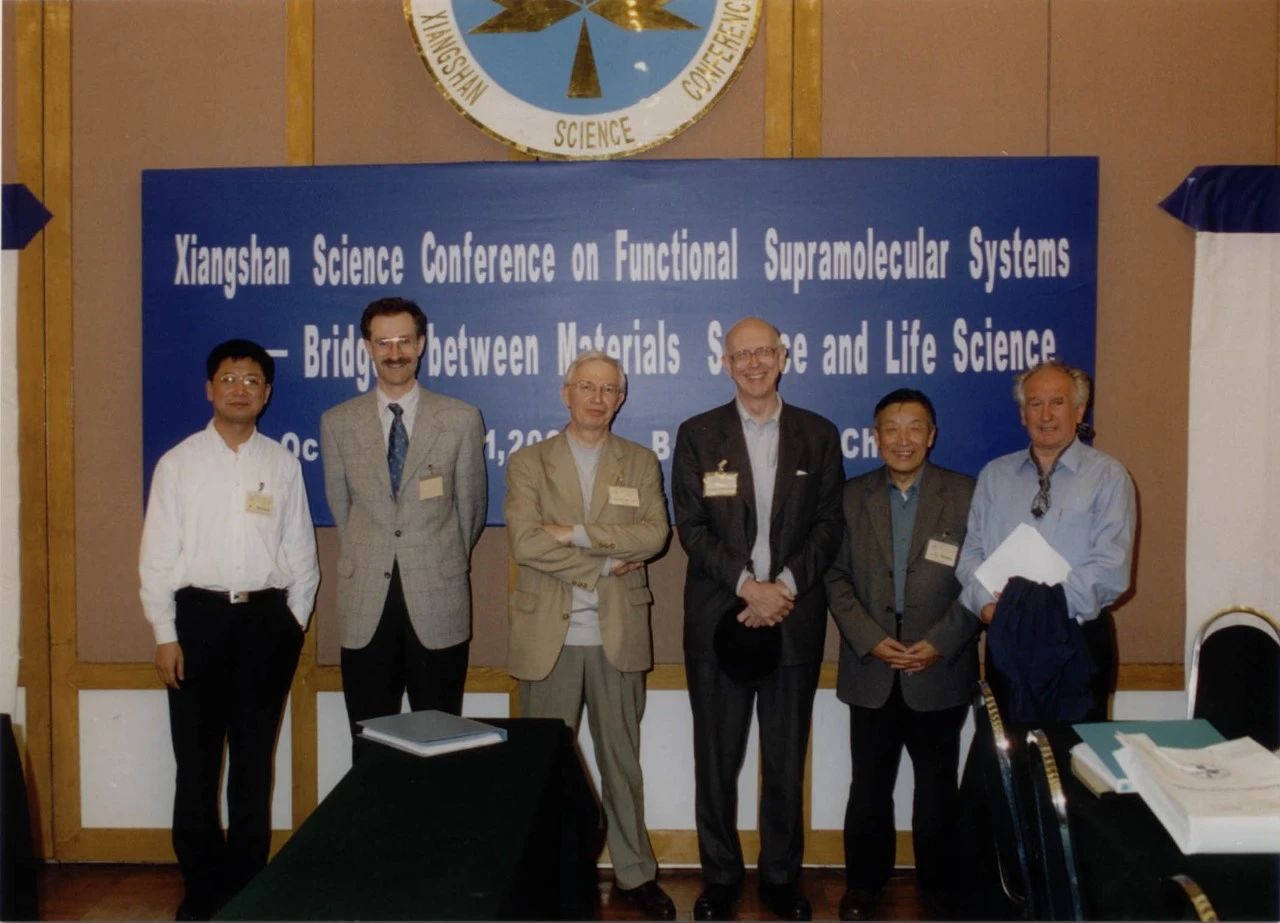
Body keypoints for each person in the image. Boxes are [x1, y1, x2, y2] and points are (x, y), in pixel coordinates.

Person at [139, 338, 319, 920]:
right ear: (209, 389)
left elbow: (301, 553)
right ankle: (200, 890)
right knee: (195, 767)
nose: (240, 389)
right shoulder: (179, 463)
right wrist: (165, 632)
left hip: (265, 624)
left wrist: (292, 622)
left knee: (252, 763)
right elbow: (157, 557)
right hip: (196, 622)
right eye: (229, 379)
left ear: (267, 393)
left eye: (252, 380)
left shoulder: (281, 464)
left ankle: (246, 887)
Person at [673, 317, 844, 922]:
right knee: (716, 761)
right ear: (726, 363)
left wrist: (783, 588)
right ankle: (720, 877)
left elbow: (829, 524)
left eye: (763, 352)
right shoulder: (698, 434)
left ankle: (779, 878)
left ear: (783, 356)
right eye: (741, 355)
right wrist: (748, 586)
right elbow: (692, 526)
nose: (753, 364)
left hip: (792, 619)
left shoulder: (817, 434)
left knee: (784, 760)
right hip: (720, 616)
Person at [504, 350, 676, 920]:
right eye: (587, 387)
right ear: (567, 393)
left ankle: (635, 874)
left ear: (621, 398)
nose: (598, 398)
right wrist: (601, 564)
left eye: (609, 389)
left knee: (621, 763)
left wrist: (573, 531)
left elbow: (653, 536)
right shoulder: (529, 462)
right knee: (541, 771)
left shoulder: (640, 461)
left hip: (617, 634)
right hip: (546, 639)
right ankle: (546, 875)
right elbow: (526, 543)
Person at [824, 389, 977, 921]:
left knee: (938, 788)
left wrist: (942, 641)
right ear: (876, 437)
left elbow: (981, 579)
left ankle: (938, 888)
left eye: (915, 428)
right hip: (872, 667)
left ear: (932, 436)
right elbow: (834, 577)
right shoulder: (850, 497)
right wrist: (869, 638)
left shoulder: (966, 495)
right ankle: (863, 886)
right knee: (868, 786)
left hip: (940, 667)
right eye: (891, 428)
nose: (903, 439)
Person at [320, 296, 486, 760]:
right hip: (365, 606)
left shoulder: (460, 419)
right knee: (371, 746)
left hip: (438, 598)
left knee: (440, 743)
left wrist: (435, 557)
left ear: (422, 344)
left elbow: (471, 511)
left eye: (404, 341)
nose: (395, 353)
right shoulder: (338, 423)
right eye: (383, 343)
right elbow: (342, 510)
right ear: (367, 347)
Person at [957, 359, 1136, 723]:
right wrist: (987, 607)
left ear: (1079, 410)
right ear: (1022, 414)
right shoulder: (995, 475)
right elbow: (970, 556)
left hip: (1076, 640)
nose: (1046, 414)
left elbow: (1111, 569)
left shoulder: (1108, 476)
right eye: (1035, 403)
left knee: (1075, 752)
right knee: (1008, 748)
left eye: (1057, 402)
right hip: (1007, 636)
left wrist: (1040, 611)